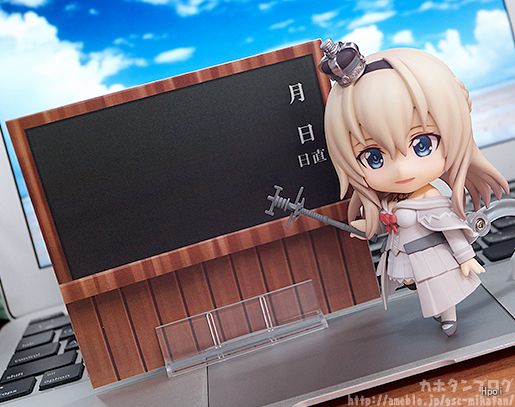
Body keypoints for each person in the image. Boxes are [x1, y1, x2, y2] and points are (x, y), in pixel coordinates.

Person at [319, 40, 509, 336]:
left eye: (422, 145)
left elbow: (450, 230)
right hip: (406, 256)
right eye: (373, 157)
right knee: (425, 286)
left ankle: (449, 316)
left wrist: (466, 258)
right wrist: (367, 224)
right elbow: (385, 220)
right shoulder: (391, 200)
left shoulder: (431, 199)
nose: (401, 170)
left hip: (432, 255)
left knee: (442, 285)